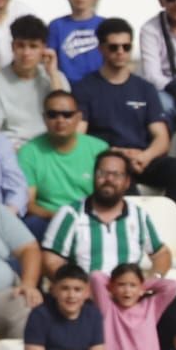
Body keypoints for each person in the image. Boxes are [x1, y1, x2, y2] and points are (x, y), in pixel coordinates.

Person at [73, 19, 176, 226]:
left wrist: (145, 156)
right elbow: (79, 137)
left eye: (126, 47)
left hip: (141, 158)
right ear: (101, 49)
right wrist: (114, 153)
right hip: (106, 159)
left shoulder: (144, 88)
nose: (120, 52)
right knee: (119, 177)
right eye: (113, 47)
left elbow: (161, 137)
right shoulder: (85, 88)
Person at [41, 148, 173, 279]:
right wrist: (77, 287)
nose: (109, 179)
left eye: (117, 175)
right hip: (86, 296)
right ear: (93, 177)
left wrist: (153, 280)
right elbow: (51, 260)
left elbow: (161, 254)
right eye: (102, 173)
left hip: (127, 296)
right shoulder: (70, 214)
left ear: (127, 182)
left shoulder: (138, 216)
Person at [17, 89, 102, 241]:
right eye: (52, 115)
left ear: (78, 117)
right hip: (48, 220)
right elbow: (27, 203)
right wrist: (57, 216)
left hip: (90, 218)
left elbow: (107, 197)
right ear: (44, 118)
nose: (60, 120)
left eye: (67, 114)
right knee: (29, 226)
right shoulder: (29, 152)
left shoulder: (98, 149)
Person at [0, 16, 69, 154]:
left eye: (33, 46)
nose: (26, 53)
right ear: (12, 47)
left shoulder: (56, 78)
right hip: (12, 152)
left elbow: (64, 118)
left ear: (43, 48)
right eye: (21, 46)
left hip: (50, 150)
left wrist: (53, 74)